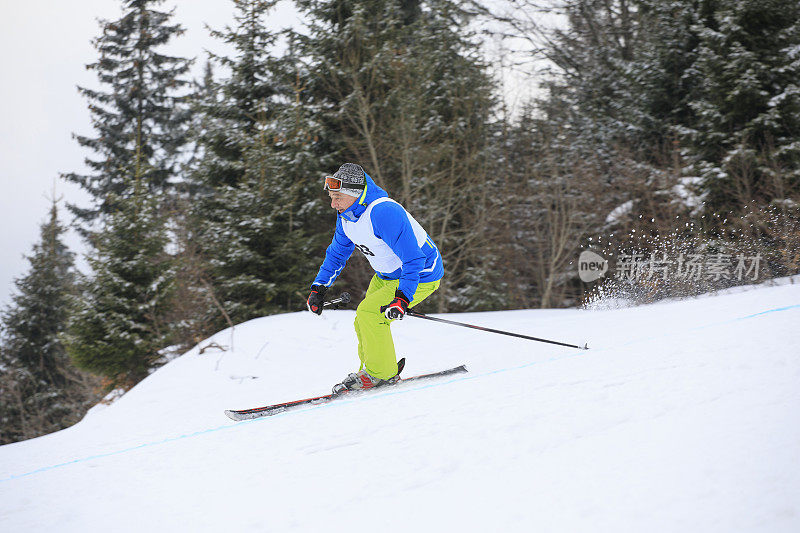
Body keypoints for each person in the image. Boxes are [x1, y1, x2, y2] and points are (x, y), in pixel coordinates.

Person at [306, 163, 444, 393]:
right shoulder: (347, 216)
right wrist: (318, 288)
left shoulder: (383, 212)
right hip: (388, 276)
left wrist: (402, 298)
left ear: (354, 194)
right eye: (331, 197)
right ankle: (371, 370)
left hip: (421, 275)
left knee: (369, 314)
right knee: (363, 319)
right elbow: (337, 253)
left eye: (337, 197)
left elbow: (413, 259)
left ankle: (380, 374)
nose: (333, 204)